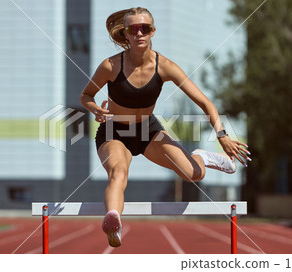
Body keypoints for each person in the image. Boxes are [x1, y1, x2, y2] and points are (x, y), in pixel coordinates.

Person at [80, 7, 251, 248]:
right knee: (118, 173)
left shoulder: (165, 66)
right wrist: (95, 108)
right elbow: (85, 95)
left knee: (194, 175)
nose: (139, 33)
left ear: (153, 32)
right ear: (126, 34)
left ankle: (201, 157)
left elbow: (205, 102)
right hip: (114, 131)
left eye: (145, 28)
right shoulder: (110, 66)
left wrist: (221, 135)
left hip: (148, 131)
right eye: (133, 29)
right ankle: (113, 221)